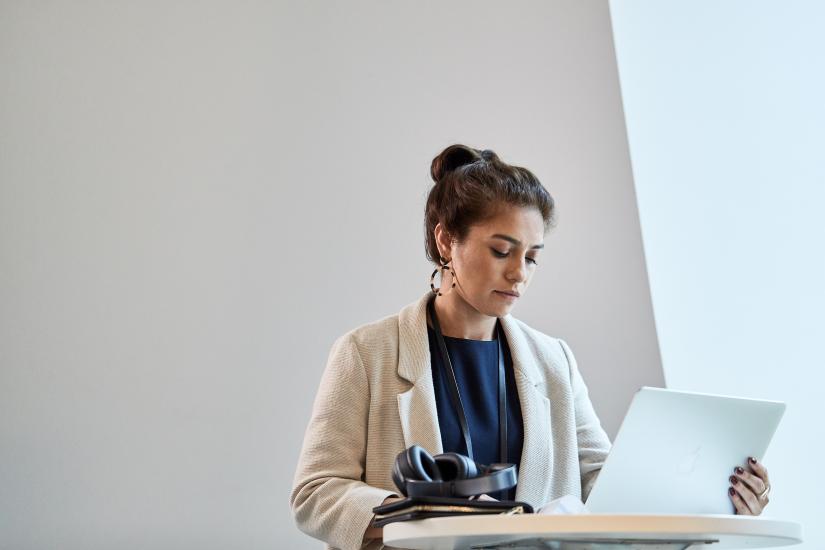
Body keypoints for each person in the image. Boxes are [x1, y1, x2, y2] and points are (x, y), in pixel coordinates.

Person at [290, 144, 772, 550]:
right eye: (502, 251)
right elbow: (316, 493)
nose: (519, 272)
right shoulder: (365, 353)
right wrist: (422, 517)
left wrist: (711, 499)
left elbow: (600, 484)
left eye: (533, 257)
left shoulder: (553, 360)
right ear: (445, 242)